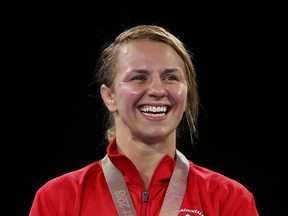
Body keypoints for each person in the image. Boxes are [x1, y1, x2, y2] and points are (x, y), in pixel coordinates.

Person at [29, 24, 259, 216]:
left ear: (187, 95)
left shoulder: (229, 199)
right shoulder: (58, 199)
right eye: (139, 77)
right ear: (109, 97)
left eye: (170, 77)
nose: (158, 90)